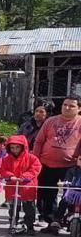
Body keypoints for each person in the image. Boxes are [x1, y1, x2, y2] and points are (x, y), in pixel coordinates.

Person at [32, 95, 81, 227]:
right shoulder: (50, 121)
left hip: (70, 165)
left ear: (79, 108)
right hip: (46, 163)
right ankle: (50, 221)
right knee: (47, 193)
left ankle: (62, 218)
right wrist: (35, 161)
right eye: (65, 105)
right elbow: (39, 141)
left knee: (69, 194)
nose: (67, 108)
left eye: (71, 106)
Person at [0, 135, 42, 236]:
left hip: (27, 186)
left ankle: (30, 225)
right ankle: (13, 223)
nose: (15, 150)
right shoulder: (6, 159)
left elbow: (35, 168)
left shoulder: (32, 158)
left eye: (17, 147)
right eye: (12, 147)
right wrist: (10, 176)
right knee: (13, 207)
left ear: (23, 147)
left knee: (29, 208)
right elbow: (3, 169)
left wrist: (24, 176)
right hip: (13, 186)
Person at [47, 159, 81, 234]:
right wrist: (65, 183)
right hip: (74, 192)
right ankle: (57, 220)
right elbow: (67, 180)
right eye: (80, 159)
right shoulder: (72, 170)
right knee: (64, 201)